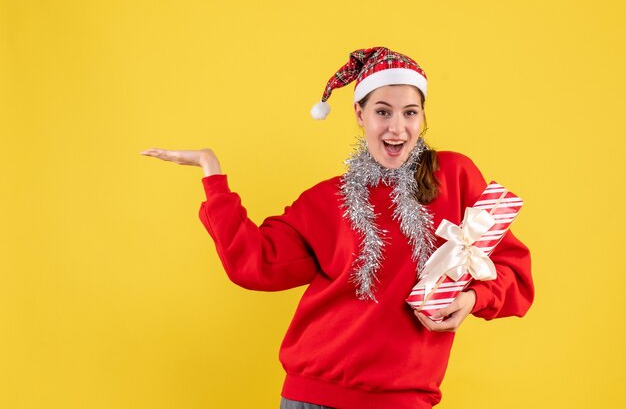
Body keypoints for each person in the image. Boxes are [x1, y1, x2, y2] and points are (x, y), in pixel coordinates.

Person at [140, 47, 534, 409]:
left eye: (410, 112)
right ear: (360, 115)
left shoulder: (456, 175)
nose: (397, 128)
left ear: (422, 117)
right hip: (311, 395)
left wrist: (471, 300)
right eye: (383, 111)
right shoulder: (324, 200)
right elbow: (255, 264)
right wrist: (212, 173)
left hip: (401, 399)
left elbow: (515, 276)